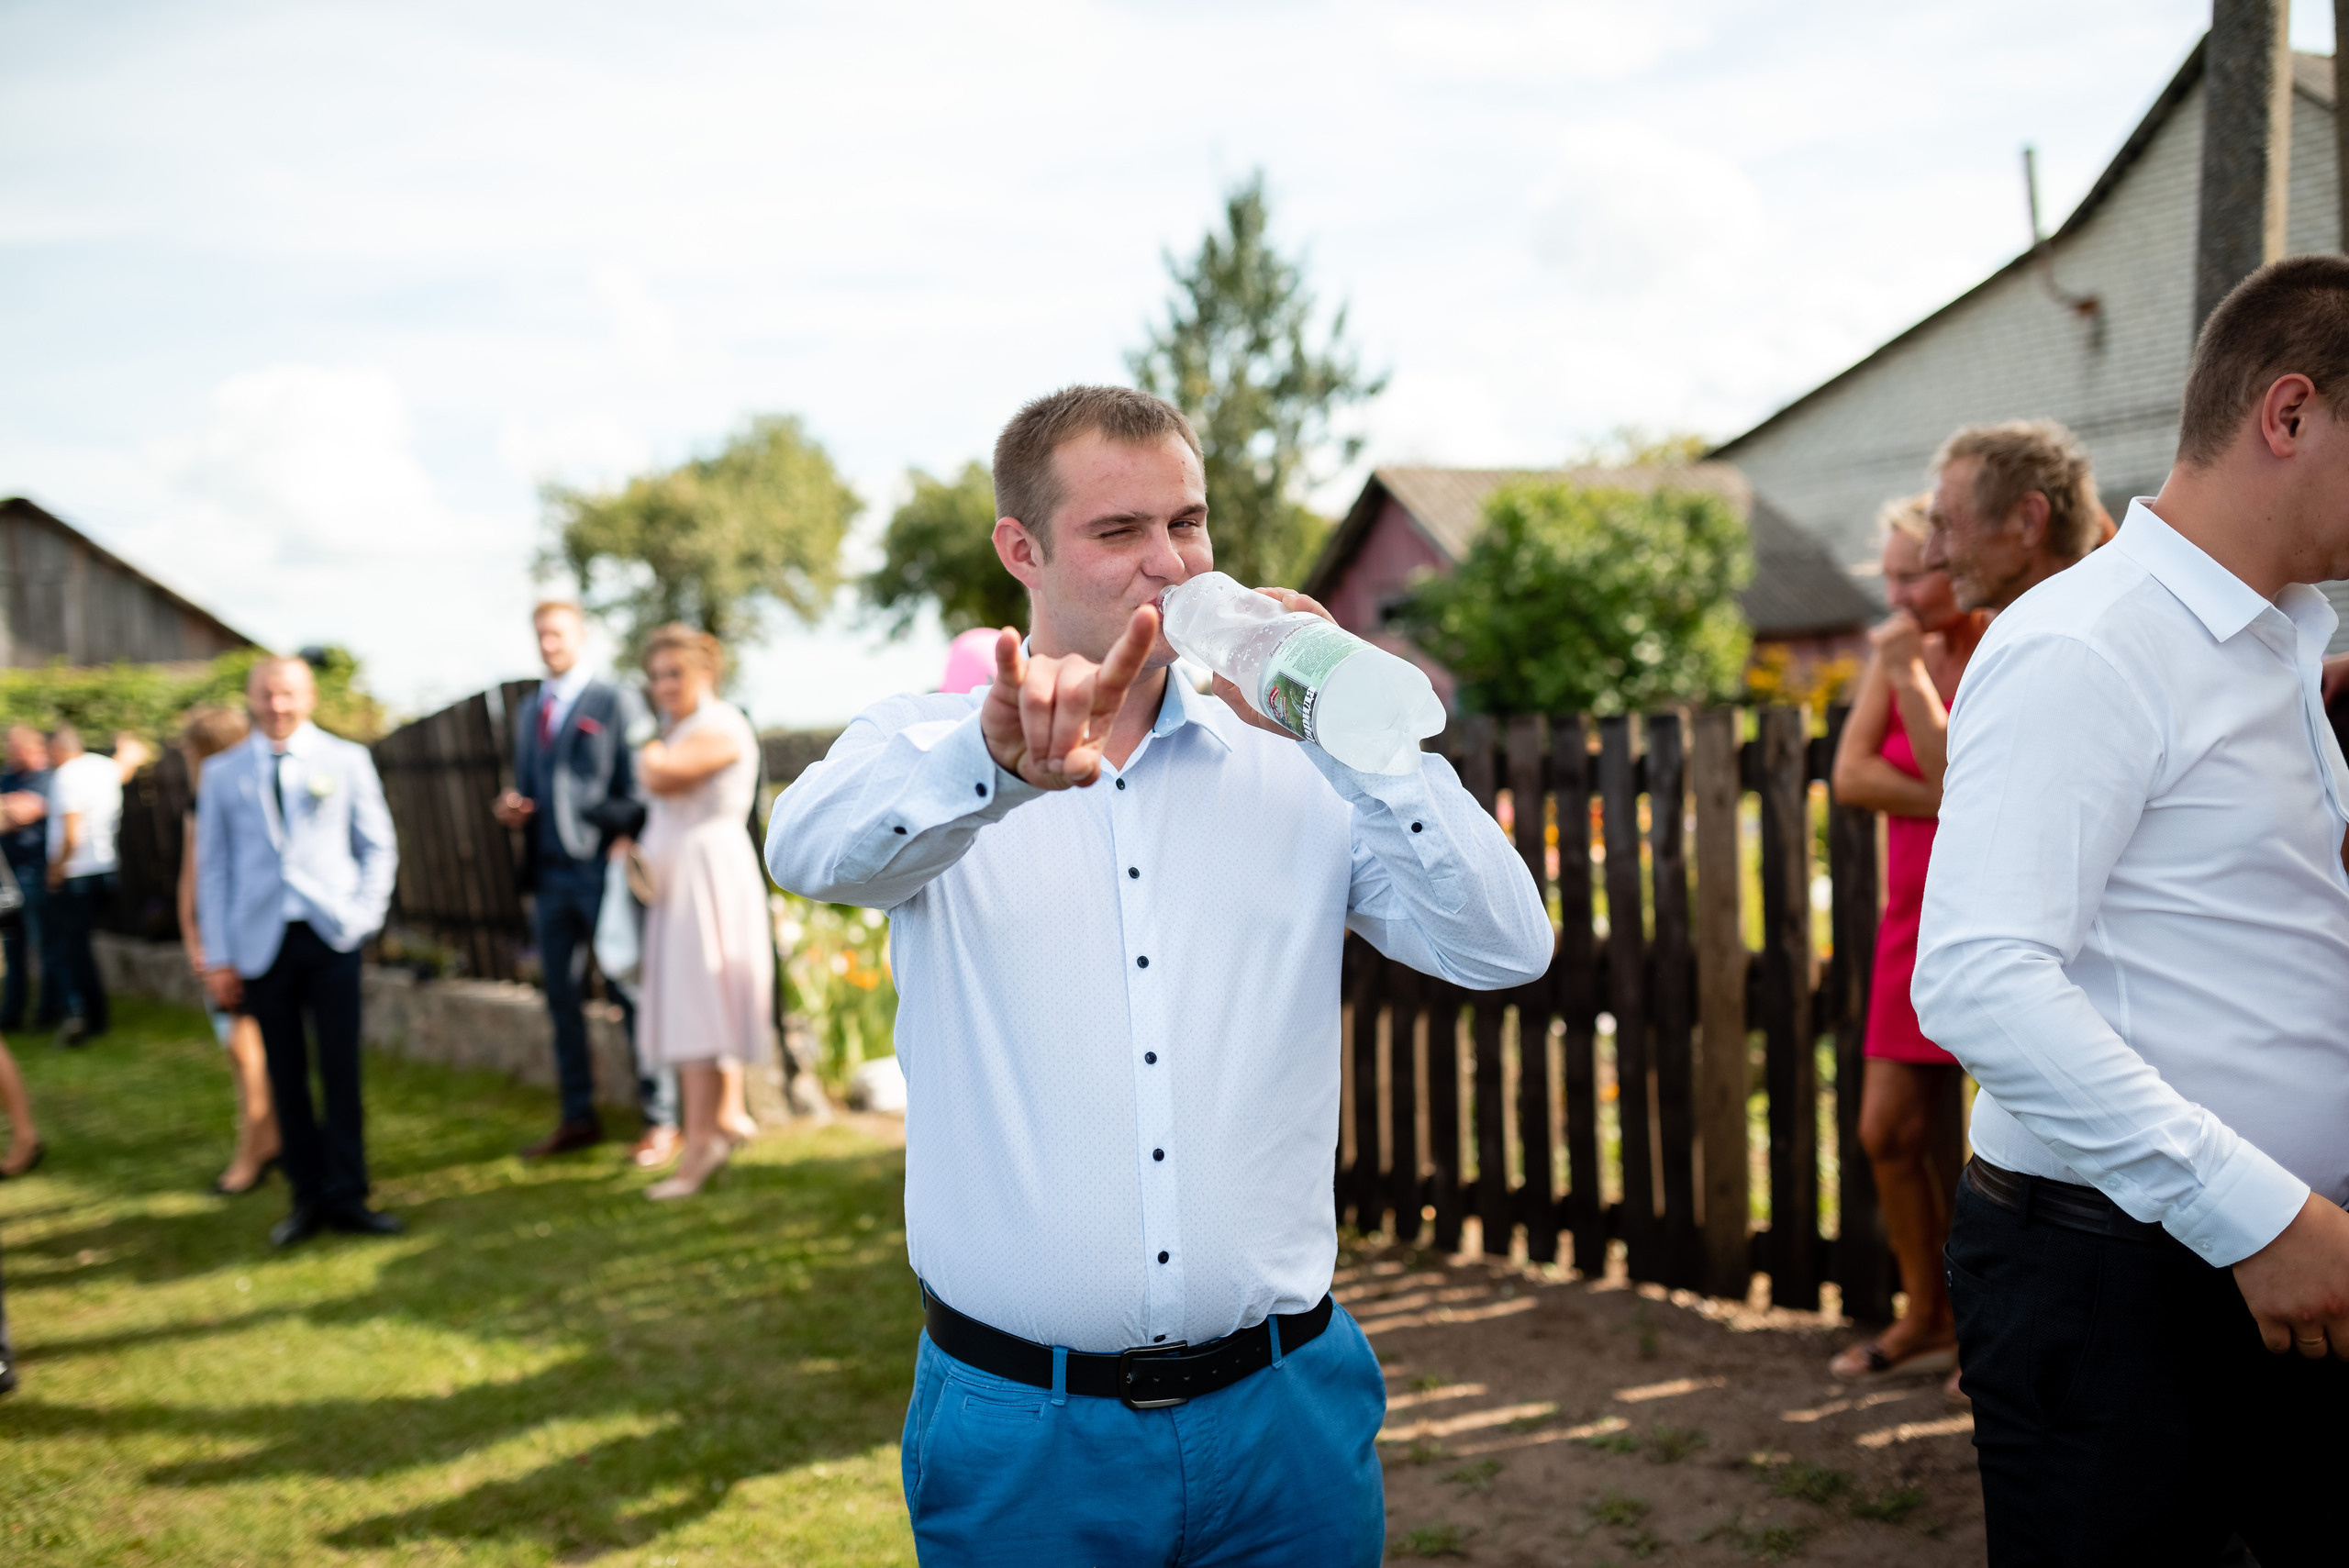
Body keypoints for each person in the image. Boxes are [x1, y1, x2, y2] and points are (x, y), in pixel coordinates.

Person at [766, 385, 1553, 1566]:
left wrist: (1358, 739)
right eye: (1119, 531)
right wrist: (994, 770)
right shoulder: (926, 744)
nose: (1169, 566)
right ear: (1019, 550)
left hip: (1286, 1415)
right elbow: (806, 849)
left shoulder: (1297, 768)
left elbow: (1504, 947)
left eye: (1186, 524)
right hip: (1023, 1431)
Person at [1915, 256, 2349, 1565]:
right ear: (2290, 415)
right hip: (2123, 1285)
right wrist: (2257, 1213)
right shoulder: (2086, 644)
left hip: (2287, 1265)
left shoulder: (2285, 643)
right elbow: (1983, 979)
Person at [1828, 495, 1990, 1390]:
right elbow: (1849, 774)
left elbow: (1961, 768)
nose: (1896, 590)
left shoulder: (2006, 637)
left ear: (1954, 557)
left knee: (2000, 1144)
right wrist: (1965, 792)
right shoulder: (1893, 649)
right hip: (1910, 924)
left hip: (1993, 916)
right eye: (1885, 573)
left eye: (1912, 570)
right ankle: (1924, 1313)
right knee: (1886, 1129)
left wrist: (1917, 699)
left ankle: (1985, 1332)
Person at [196, 656, 400, 1249]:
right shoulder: (222, 773)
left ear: (307, 697)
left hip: (330, 933)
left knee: (341, 1068)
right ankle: (305, 1198)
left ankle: (349, 1193)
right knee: (283, 1074)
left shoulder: (347, 759)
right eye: (266, 694)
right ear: (252, 698)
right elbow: (213, 869)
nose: (277, 705)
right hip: (259, 943)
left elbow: (378, 845)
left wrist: (363, 915)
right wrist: (220, 956)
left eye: (287, 693)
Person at [491, 601, 678, 1167]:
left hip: (602, 870)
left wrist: (624, 836)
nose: (549, 643)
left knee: (628, 990)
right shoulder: (530, 711)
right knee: (561, 999)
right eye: (541, 634)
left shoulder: (615, 699)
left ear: (580, 636)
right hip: (547, 876)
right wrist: (513, 807)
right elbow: (532, 784)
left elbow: (641, 785)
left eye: (558, 634)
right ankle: (578, 1117)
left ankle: (661, 1118)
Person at [631, 624, 773, 1201]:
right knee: (696, 1004)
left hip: (709, 877)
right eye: (656, 676)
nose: (664, 685)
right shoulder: (681, 728)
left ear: (705, 673)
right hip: (682, 881)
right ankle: (714, 1130)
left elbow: (663, 776)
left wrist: (648, 747)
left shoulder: (720, 725)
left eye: (675, 673)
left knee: (697, 1009)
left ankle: (698, 1151)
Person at [177, 706, 279, 1195]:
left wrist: (206, 942)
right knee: (241, 1047)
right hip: (219, 941)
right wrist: (197, 940)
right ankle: (269, 1141)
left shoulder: (234, 796)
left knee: (246, 1049)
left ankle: (253, 1152)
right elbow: (190, 880)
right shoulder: (203, 799)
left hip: (243, 940)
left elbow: (200, 879)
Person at [43, 726, 123, 1047]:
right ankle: (94, 1014)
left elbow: (72, 834)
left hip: (76, 872)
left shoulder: (66, 775)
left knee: (76, 951)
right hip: (106, 867)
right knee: (85, 947)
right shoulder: (105, 767)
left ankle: (90, 1018)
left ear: (57, 750)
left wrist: (55, 870)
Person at [0, 728, 61, 1033]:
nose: (9, 753)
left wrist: (10, 808)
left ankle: (47, 1012)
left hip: (36, 872)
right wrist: (13, 805)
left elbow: (29, 812)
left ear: (32, 748)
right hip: (8, 876)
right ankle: (12, 1014)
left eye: (14, 747)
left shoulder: (46, 778)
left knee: (43, 943)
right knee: (13, 948)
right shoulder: (8, 777)